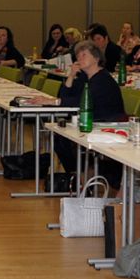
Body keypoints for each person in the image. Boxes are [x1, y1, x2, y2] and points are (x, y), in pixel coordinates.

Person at [44, 41, 127, 179]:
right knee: (59, 137)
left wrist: (53, 101)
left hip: (106, 124)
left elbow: (81, 102)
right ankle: (78, 175)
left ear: (96, 58)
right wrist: (71, 76)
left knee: (64, 138)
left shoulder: (103, 79)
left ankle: (84, 176)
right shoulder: (84, 78)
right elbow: (65, 97)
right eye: (78, 56)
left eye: (84, 55)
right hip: (90, 121)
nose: (79, 58)